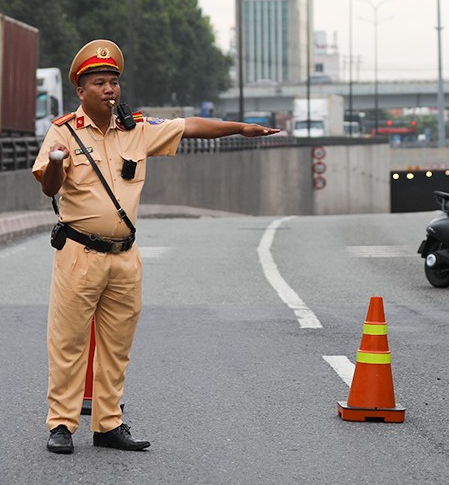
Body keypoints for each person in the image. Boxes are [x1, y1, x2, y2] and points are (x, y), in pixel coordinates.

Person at [34, 39, 280, 455]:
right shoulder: (63, 131)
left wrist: (240, 127)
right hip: (79, 254)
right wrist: (57, 161)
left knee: (117, 346)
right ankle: (61, 424)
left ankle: (108, 424)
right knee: (69, 343)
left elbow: (190, 125)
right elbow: (48, 188)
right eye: (100, 82)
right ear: (82, 90)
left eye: (113, 81)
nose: (110, 89)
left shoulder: (137, 129)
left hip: (124, 256)